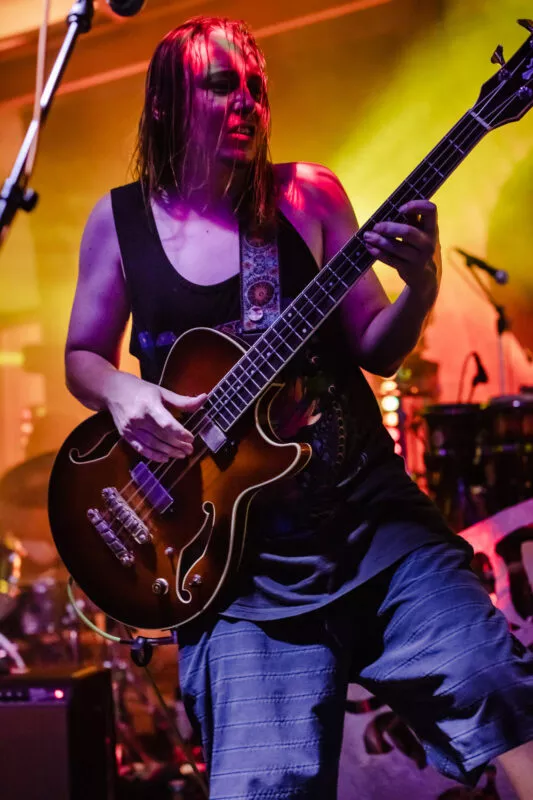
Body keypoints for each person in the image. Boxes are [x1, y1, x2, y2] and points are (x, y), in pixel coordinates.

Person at [64, 16, 533, 799]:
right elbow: (83, 354)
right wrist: (122, 390)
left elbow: (376, 348)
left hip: (374, 534)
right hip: (235, 574)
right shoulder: (118, 224)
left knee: (502, 694)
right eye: (223, 85)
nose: (247, 101)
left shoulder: (306, 195)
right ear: (164, 105)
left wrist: (417, 286)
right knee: (262, 788)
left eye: (256, 87)